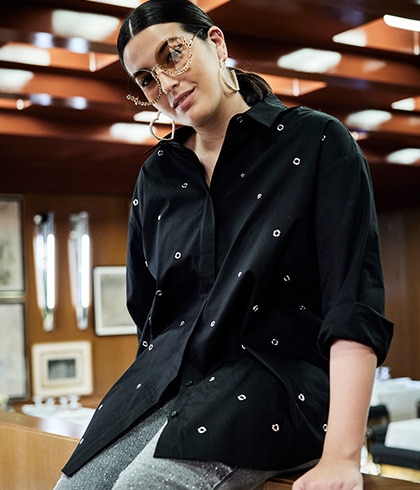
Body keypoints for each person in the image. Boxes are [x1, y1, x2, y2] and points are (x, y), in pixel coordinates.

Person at [54, 0, 393, 488]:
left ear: (216, 43)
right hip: (175, 390)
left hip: (280, 384)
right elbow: (150, 316)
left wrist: (342, 456)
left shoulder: (316, 141)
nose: (165, 84)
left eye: (172, 55)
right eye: (146, 79)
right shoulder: (158, 175)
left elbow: (352, 302)